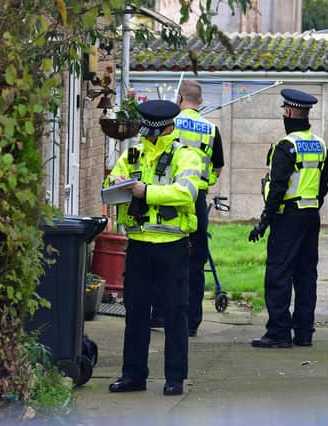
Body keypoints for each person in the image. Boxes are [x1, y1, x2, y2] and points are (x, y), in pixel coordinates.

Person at [104, 100, 204, 396]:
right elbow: (111, 182)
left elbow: (186, 192)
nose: (146, 137)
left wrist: (145, 192)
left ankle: (175, 378)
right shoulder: (133, 153)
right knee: (135, 312)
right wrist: (118, 182)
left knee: (175, 312)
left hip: (172, 244)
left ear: (165, 129)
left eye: (152, 133)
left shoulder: (186, 156)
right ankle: (133, 375)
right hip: (138, 245)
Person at [249, 88, 328, 348]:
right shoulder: (320, 144)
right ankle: (304, 332)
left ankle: (278, 332)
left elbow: (277, 187)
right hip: (310, 217)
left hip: (287, 218)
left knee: (279, 273)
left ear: (290, 112)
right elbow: (323, 185)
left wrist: (265, 220)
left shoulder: (286, 146)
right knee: (306, 275)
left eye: (285, 110)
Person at [150, 80, 225, 337]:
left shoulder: (170, 123)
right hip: (197, 199)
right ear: (200, 101)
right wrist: (203, 184)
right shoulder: (211, 129)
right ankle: (192, 322)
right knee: (196, 260)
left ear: (180, 99)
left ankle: (160, 315)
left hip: (168, 196)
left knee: (163, 253)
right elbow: (216, 168)